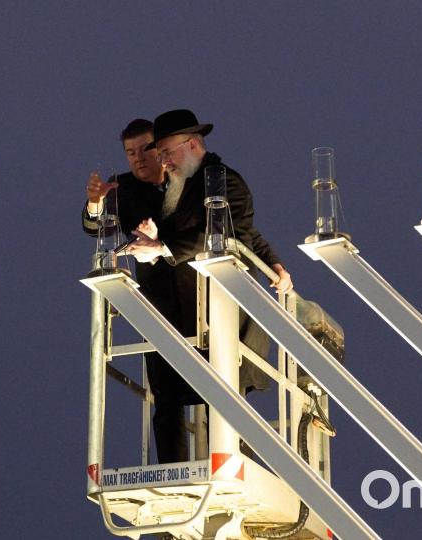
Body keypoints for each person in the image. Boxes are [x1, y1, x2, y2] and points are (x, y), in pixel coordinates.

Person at [83, 112, 292, 463]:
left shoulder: (217, 180)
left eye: (159, 151)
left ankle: (223, 462)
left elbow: (235, 230)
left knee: (220, 392)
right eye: (132, 153)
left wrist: (273, 262)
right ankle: (172, 470)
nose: (156, 161)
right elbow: (97, 227)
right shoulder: (146, 186)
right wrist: (99, 206)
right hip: (165, 309)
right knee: (166, 398)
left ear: (191, 145)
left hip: (215, 308)